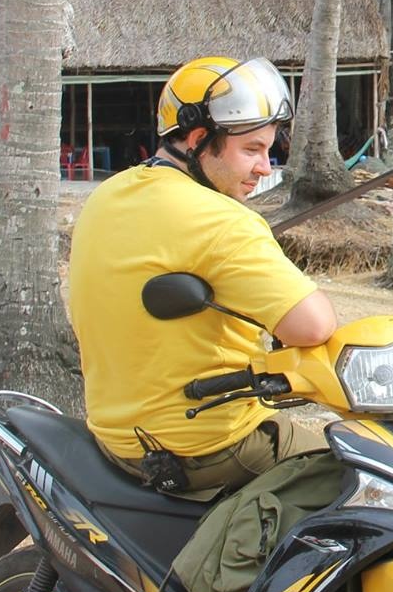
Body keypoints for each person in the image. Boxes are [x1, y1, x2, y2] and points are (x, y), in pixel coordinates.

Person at [67, 55, 337, 501]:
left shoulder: (106, 196)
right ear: (198, 140)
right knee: (361, 482)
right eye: (251, 149)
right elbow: (313, 326)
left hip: (117, 441)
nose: (265, 168)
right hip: (210, 447)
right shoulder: (223, 220)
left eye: (268, 151)